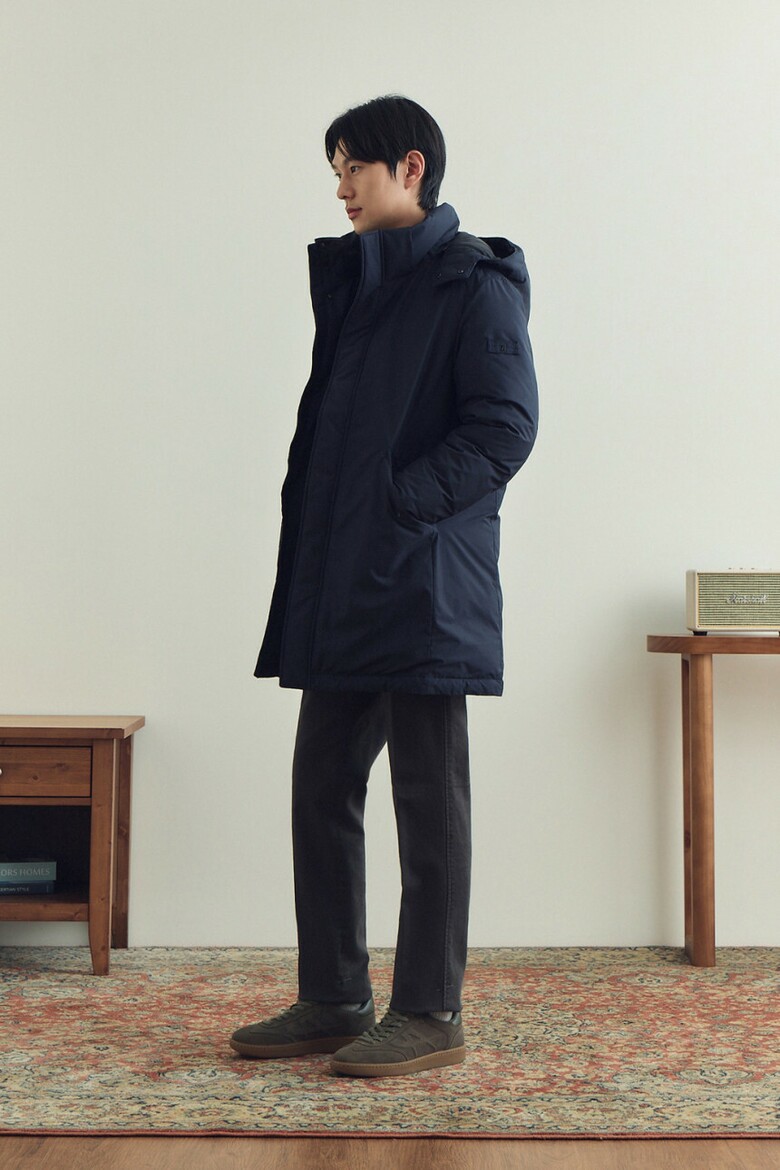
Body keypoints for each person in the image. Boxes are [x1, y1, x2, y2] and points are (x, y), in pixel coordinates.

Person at [230, 95, 538, 1077]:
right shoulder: (363, 285)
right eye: (334, 172)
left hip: (425, 586)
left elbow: (504, 428)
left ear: (409, 167)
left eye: (351, 169)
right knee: (321, 784)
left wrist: (403, 509)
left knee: (428, 803)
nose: (340, 190)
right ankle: (333, 995)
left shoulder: (473, 282)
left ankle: (431, 1010)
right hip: (350, 580)